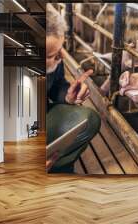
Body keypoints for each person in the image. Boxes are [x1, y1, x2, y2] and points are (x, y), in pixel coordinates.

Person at [46, 4, 100, 173]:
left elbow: (57, 86)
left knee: (89, 119)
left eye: (60, 49)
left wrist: (68, 95)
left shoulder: (56, 62)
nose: (61, 57)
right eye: (51, 55)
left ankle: (59, 167)